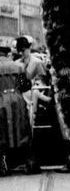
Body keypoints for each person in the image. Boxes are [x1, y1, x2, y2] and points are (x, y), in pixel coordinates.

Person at [0, 43, 33, 175]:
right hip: (17, 100)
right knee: (23, 131)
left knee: (2, 133)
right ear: (8, 54)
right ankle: (29, 163)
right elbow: (26, 85)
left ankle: (3, 165)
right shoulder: (19, 67)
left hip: (0, 100)